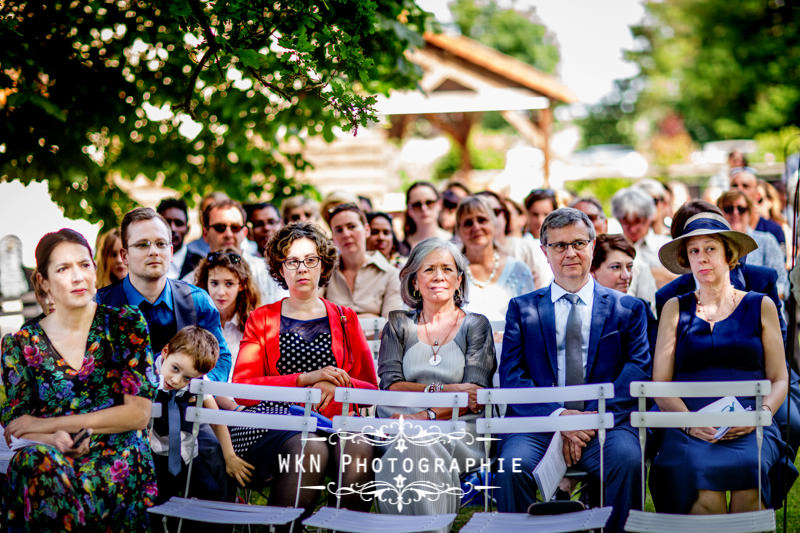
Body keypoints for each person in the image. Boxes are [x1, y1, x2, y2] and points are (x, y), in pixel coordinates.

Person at [495, 208, 651, 532]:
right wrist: (559, 417)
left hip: (604, 422)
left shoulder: (628, 309)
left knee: (627, 461)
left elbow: (636, 369)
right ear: (544, 252)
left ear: (593, 246)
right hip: (537, 424)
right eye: (559, 245)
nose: (570, 253)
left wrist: (586, 418)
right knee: (511, 468)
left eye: (578, 243)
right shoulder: (522, 309)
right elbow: (512, 375)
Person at [2, 229, 156, 529]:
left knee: (56, 478)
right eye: (63, 268)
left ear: (95, 271)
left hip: (116, 455)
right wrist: (52, 439)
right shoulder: (20, 344)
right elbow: (17, 425)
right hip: (50, 457)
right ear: (44, 282)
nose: (77, 276)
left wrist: (49, 424)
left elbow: (138, 415)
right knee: (38, 465)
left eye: (84, 265)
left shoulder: (125, 324)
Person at [649, 211, 796, 514]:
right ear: (686, 259)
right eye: (694, 251)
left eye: (710, 248)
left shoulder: (760, 305)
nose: (702, 258)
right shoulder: (674, 309)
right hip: (690, 424)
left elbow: (780, 378)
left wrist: (759, 415)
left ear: (729, 255)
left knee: (749, 487)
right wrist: (691, 423)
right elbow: (660, 385)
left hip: (749, 421)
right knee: (705, 492)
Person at [231, 222, 377, 526]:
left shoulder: (345, 318)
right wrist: (306, 380)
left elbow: (371, 388)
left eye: (311, 260)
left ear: (322, 265)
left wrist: (336, 384)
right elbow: (243, 389)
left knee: (359, 446)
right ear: (279, 268)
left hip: (333, 422)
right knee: (309, 444)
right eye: (292, 261)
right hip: (273, 423)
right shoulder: (262, 318)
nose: (302, 269)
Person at [375, 237, 495, 529]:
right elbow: (390, 386)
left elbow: (474, 395)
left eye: (446, 269)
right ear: (415, 280)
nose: (439, 276)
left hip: (460, 430)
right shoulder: (398, 324)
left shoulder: (476, 325)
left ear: (459, 280)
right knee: (412, 441)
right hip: (399, 422)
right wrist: (444, 391)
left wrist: (425, 414)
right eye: (429, 270)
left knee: (417, 441)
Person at [97, 207, 232, 381]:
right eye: (142, 244)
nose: (153, 251)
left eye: (160, 244)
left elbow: (220, 358)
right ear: (125, 256)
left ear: (170, 252)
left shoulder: (198, 301)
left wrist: (195, 385)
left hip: (187, 406)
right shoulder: (98, 305)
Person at [150, 326, 253, 505]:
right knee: (159, 497)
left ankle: (219, 512)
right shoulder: (146, 374)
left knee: (210, 489)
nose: (176, 380)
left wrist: (230, 455)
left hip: (185, 449)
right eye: (175, 369)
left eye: (187, 378)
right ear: (166, 352)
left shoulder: (198, 382)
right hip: (151, 451)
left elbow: (215, 418)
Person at [183, 199, 287, 306]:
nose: (228, 234)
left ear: (244, 232)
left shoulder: (269, 273)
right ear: (205, 234)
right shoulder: (190, 284)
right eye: (220, 228)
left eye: (235, 228)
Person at [456, 196, 534, 322]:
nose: (476, 227)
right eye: (468, 223)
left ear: (494, 224)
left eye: (482, 220)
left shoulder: (519, 270)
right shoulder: (453, 272)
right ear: (459, 231)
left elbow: (529, 321)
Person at [324, 203, 403, 319]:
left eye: (351, 226)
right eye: (339, 230)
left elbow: (392, 327)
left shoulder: (390, 274)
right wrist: (372, 319)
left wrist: (338, 320)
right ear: (333, 237)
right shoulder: (325, 272)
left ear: (366, 230)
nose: (346, 234)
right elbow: (315, 321)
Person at [194, 248, 261, 373]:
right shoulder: (194, 320)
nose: (221, 292)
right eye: (214, 283)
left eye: (229, 284)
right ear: (206, 283)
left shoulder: (255, 324)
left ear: (241, 285)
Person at [591, 234, 657, 356]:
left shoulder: (641, 309)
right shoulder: (580, 308)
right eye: (616, 267)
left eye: (629, 267)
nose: (626, 276)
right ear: (592, 271)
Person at [716, 190, 788, 299]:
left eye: (741, 209)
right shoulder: (714, 246)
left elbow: (782, 285)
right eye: (728, 209)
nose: (735, 213)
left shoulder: (766, 241)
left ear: (749, 213)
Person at [477, 190, 549, 289]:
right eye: (482, 215)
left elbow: (542, 290)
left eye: (495, 212)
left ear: (505, 215)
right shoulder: (462, 256)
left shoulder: (527, 248)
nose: (490, 218)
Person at [730, 167, 786, 252]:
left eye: (745, 186)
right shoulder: (721, 227)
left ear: (758, 195)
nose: (739, 189)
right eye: (735, 185)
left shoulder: (773, 230)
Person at [184, 191, 230, 265]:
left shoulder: (243, 249)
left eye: (220, 212)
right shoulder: (188, 251)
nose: (215, 217)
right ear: (201, 217)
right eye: (208, 212)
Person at [402, 181, 450, 251]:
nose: (424, 208)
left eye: (429, 202)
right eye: (417, 205)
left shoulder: (455, 243)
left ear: (439, 204)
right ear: (409, 210)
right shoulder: (399, 249)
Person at [157, 197, 191, 279]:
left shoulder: (199, 264)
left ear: (187, 229)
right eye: (166, 222)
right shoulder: (143, 261)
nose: (173, 228)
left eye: (178, 223)